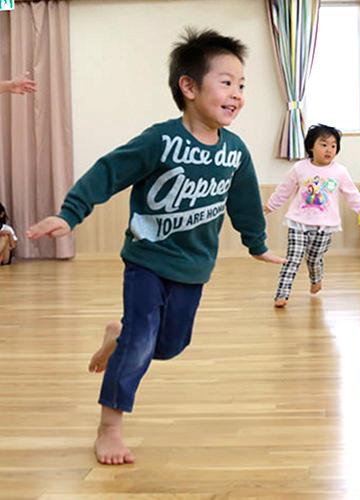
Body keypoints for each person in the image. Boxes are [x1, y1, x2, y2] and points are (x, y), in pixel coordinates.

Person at [27, 29, 285, 466]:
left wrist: (256, 244)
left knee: (168, 345)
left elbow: (243, 203)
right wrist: (69, 214)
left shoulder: (235, 152)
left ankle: (119, 334)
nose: (237, 94)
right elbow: (108, 171)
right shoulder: (160, 140)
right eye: (226, 82)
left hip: (194, 267)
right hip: (146, 261)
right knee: (143, 341)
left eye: (242, 85)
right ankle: (110, 426)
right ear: (189, 87)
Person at [264, 124, 360, 308]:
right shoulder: (299, 168)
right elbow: (284, 190)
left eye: (333, 146)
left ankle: (316, 279)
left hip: (324, 225)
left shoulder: (339, 172)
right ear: (311, 147)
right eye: (323, 144)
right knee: (293, 258)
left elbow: (353, 195)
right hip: (298, 221)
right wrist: (270, 206)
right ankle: (282, 294)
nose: (329, 149)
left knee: (314, 259)